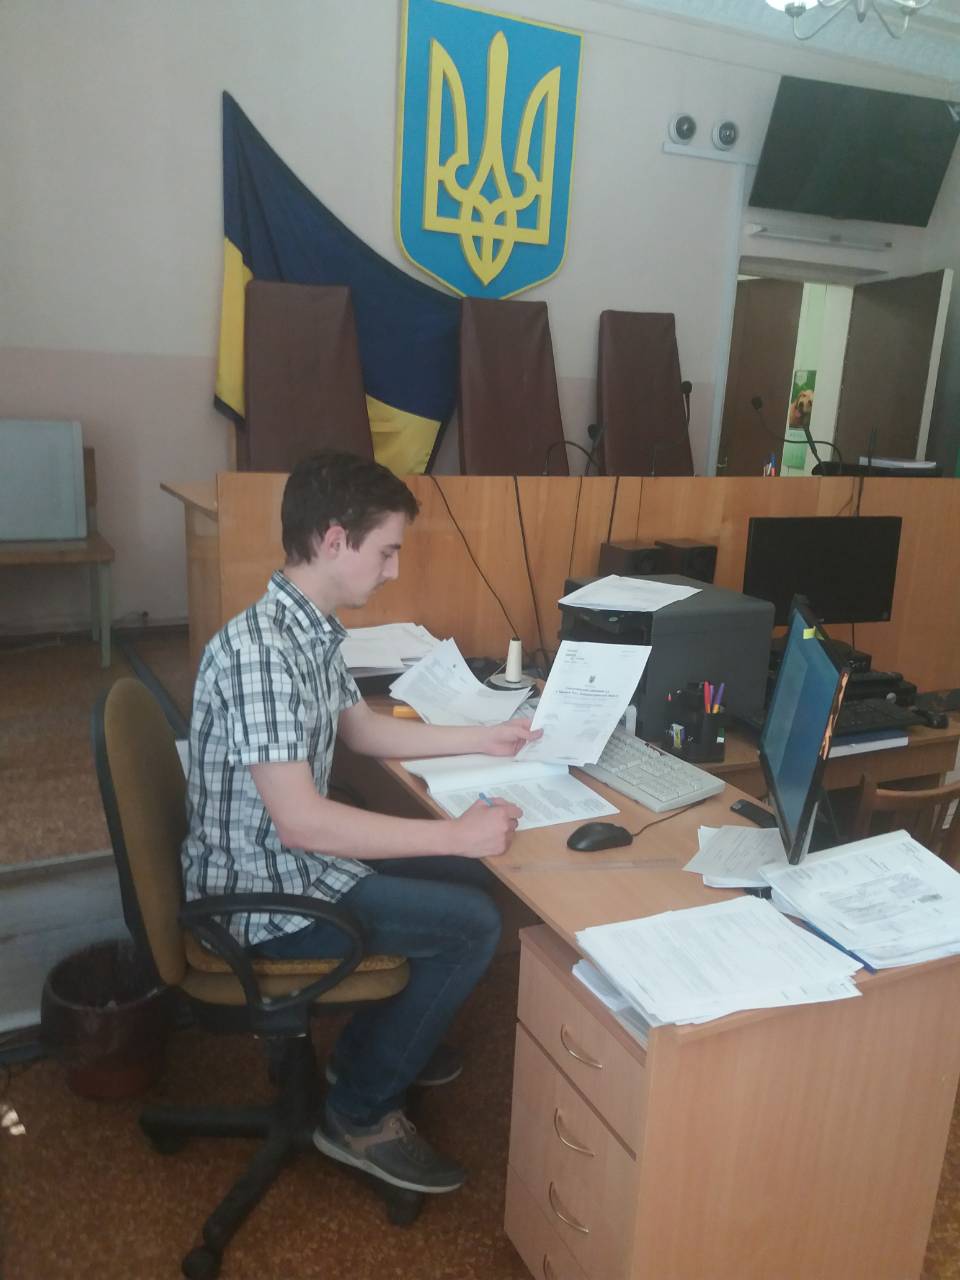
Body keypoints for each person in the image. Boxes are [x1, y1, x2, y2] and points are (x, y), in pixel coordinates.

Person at [181, 450, 538, 1196]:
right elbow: (302, 824)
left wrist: (483, 736)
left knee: (471, 878)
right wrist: (453, 833)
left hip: (296, 866)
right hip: (263, 901)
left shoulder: (308, 629)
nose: (394, 570)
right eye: (387, 551)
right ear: (335, 539)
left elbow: (363, 730)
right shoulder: (261, 656)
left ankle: (370, 1055)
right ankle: (359, 1113)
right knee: (472, 924)